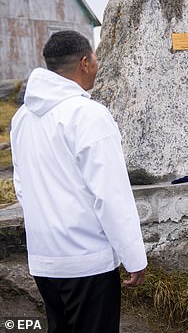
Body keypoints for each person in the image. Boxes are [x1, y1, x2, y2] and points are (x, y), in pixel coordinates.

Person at [10, 30, 147, 333]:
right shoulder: (89, 115)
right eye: (96, 57)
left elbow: (22, 186)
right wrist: (134, 256)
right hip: (88, 262)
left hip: (45, 260)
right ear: (85, 62)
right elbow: (110, 195)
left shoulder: (22, 118)